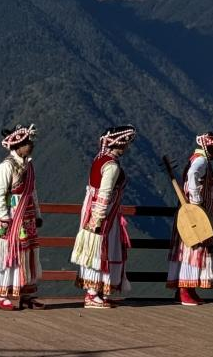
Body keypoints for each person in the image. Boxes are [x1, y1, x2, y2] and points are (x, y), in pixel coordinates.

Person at [166, 132, 213, 306]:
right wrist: (196, 203)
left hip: (193, 215)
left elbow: (212, 189)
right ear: (209, 148)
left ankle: (187, 290)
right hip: (195, 217)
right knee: (193, 250)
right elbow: (193, 175)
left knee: (191, 250)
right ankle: (185, 291)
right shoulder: (201, 161)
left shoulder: (198, 160)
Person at [71, 125, 137, 309]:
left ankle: (97, 290)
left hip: (96, 210)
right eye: (125, 144)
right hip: (103, 213)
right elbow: (104, 193)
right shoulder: (111, 166)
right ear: (118, 144)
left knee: (97, 250)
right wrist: (98, 218)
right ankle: (92, 293)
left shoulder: (100, 159)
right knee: (98, 250)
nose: (126, 147)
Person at [0, 124, 43, 310]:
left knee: (27, 254)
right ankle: (3, 295)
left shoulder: (28, 166)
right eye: (26, 143)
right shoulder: (6, 167)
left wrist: (37, 213)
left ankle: (25, 294)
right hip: (10, 217)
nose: (30, 145)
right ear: (17, 146)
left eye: (30, 142)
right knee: (7, 255)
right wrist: (4, 217)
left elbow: (32, 192)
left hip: (26, 217)